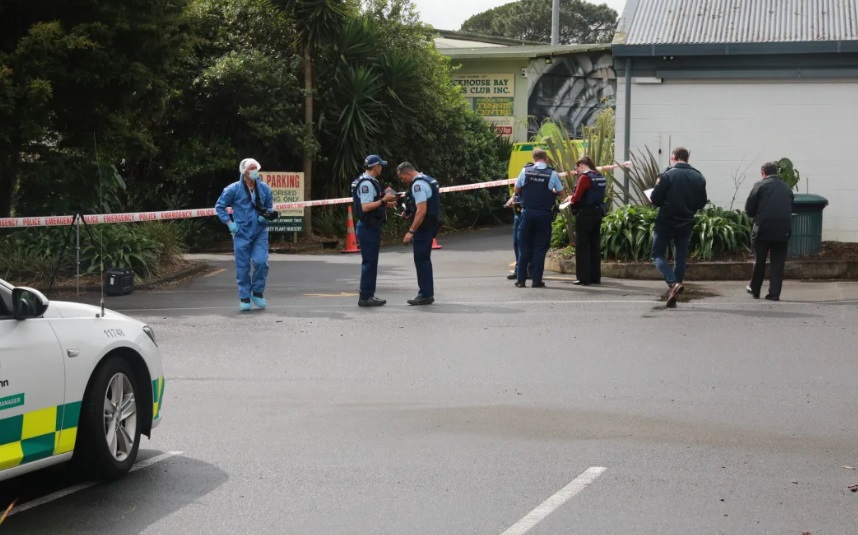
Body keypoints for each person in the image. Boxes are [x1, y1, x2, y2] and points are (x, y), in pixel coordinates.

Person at [650, 147, 708, 307]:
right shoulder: (699, 177)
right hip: (686, 220)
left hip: (666, 220)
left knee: (657, 254)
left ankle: (672, 283)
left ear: (673, 157)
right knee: (680, 257)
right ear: (687, 158)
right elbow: (702, 201)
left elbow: (655, 198)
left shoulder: (667, 175)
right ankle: (674, 292)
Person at [216, 158, 274, 311]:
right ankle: (244, 297)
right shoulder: (233, 189)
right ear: (244, 171)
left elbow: (269, 206)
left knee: (261, 262)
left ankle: (258, 292)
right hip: (241, 232)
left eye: (256, 167)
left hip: (260, 231)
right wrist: (230, 224)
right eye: (251, 168)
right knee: (242, 266)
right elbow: (220, 206)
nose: (255, 171)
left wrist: (266, 214)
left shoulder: (265, 189)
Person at [514, 148, 565, 288]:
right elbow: (561, 193)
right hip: (543, 215)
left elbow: (516, 189)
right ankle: (536, 280)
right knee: (540, 247)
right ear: (546, 159)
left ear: (534, 158)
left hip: (527, 213)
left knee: (524, 246)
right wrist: (552, 192)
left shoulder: (525, 171)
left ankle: (521, 280)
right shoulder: (552, 174)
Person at [352, 155, 398, 307]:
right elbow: (365, 207)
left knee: (372, 262)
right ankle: (365, 297)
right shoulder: (367, 183)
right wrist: (383, 201)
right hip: (367, 226)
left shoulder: (369, 182)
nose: (382, 168)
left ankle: (369, 294)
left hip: (370, 226)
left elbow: (372, 203)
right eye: (381, 165)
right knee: (369, 262)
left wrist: (384, 204)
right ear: (376, 166)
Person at [745, 161, 794, 301]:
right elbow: (790, 207)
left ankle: (755, 289)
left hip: (763, 229)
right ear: (776, 172)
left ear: (763, 173)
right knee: (778, 263)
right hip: (783, 230)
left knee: (759, 260)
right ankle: (774, 294)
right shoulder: (786, 187)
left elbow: (749, 209)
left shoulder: (759, 185)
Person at [397, 162, 441, 305]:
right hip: (429, 225)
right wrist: (410, 214)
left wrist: (411, 231)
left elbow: (422, 210)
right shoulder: (427, 179)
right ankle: (427, 292)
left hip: (423, 228)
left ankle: (425, 294)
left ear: (407, 173)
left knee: (421, 260)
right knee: (424, 260)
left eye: (402, 177)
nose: (402, 180)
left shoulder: (418, 185)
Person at [567, 156, 606, 286]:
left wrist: (569, 199)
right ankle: (595, 276)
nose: (576, 171)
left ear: (582, 165)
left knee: (583, 246)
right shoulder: (600, 176)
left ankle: (584, 278)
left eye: (577, 168)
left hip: (584, 214)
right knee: (594, 245)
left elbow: (577, 197)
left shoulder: (584, 178)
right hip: (597, 214)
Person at [503, 189, 524, 280]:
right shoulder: (521, 178)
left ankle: (528, 271)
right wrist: (511, 200)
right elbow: (515, 194)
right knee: (517, 243)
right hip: (518, 213)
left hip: (527, 213)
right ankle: (518, 271)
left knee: (526, 243)